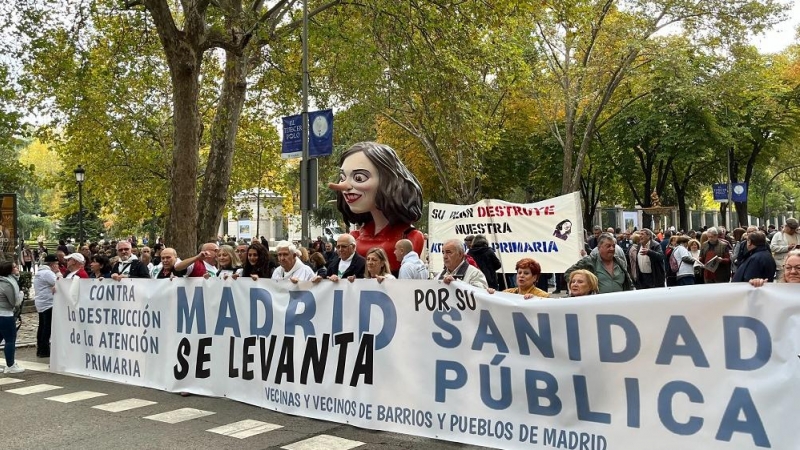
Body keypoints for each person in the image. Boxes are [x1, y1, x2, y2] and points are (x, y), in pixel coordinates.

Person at [328, 142, 425, 273]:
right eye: (342, 177)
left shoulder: (409, 237)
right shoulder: (355, 236)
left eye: (359, 178)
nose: (345, 186)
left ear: (387, 180)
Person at [565, 233, 632, 294]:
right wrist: (582, 286)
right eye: (608, 246)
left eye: (613, 246)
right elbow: (568, 273)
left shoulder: (620, 262)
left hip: (620, 303)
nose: (612, 248)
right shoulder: (589, 261)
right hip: (597, 304)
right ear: (599, 247)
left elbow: (629, 283)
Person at [34, 254, 59, 358]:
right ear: (52, 264)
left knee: (42, 326)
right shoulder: (48, 273)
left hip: (41, 302)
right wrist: (58, 273)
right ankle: (44, 349)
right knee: (47, 327)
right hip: (48, 303)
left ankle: (40, 348)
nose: (57, 266)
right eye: (56, 264)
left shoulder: (40, 272)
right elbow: (58, 282)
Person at [0, 261, 23, 373]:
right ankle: (10, 365)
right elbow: (14, 302)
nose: (17, 268)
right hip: (5, 315)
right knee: (10, 340)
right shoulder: (8, 284)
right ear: (9, 270)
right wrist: (21, 295)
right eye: (14, 267)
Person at [770, 218, 799, 283]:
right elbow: (772, 247)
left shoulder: (798, 235)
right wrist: (786, 248)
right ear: (786, 227)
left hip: (796, 263)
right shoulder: (778, 235)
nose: (792, 230)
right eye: (791, 229)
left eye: (794, 229)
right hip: (781, 264)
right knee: (782, 282)